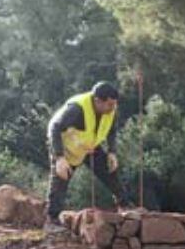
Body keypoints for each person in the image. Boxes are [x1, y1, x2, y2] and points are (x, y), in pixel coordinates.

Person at [45, 81, 126, 233]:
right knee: (60, 179)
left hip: (89, 145)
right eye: (109, 104)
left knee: (109, 170)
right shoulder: (77, 109)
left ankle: (124, 204)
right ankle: (51, 220)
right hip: (67, 147)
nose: (113, 108)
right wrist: (59, 158)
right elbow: (54, 127)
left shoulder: (110, 111)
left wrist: (112, 152)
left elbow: (111, 131)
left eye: (114, 104)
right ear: (97, 101)